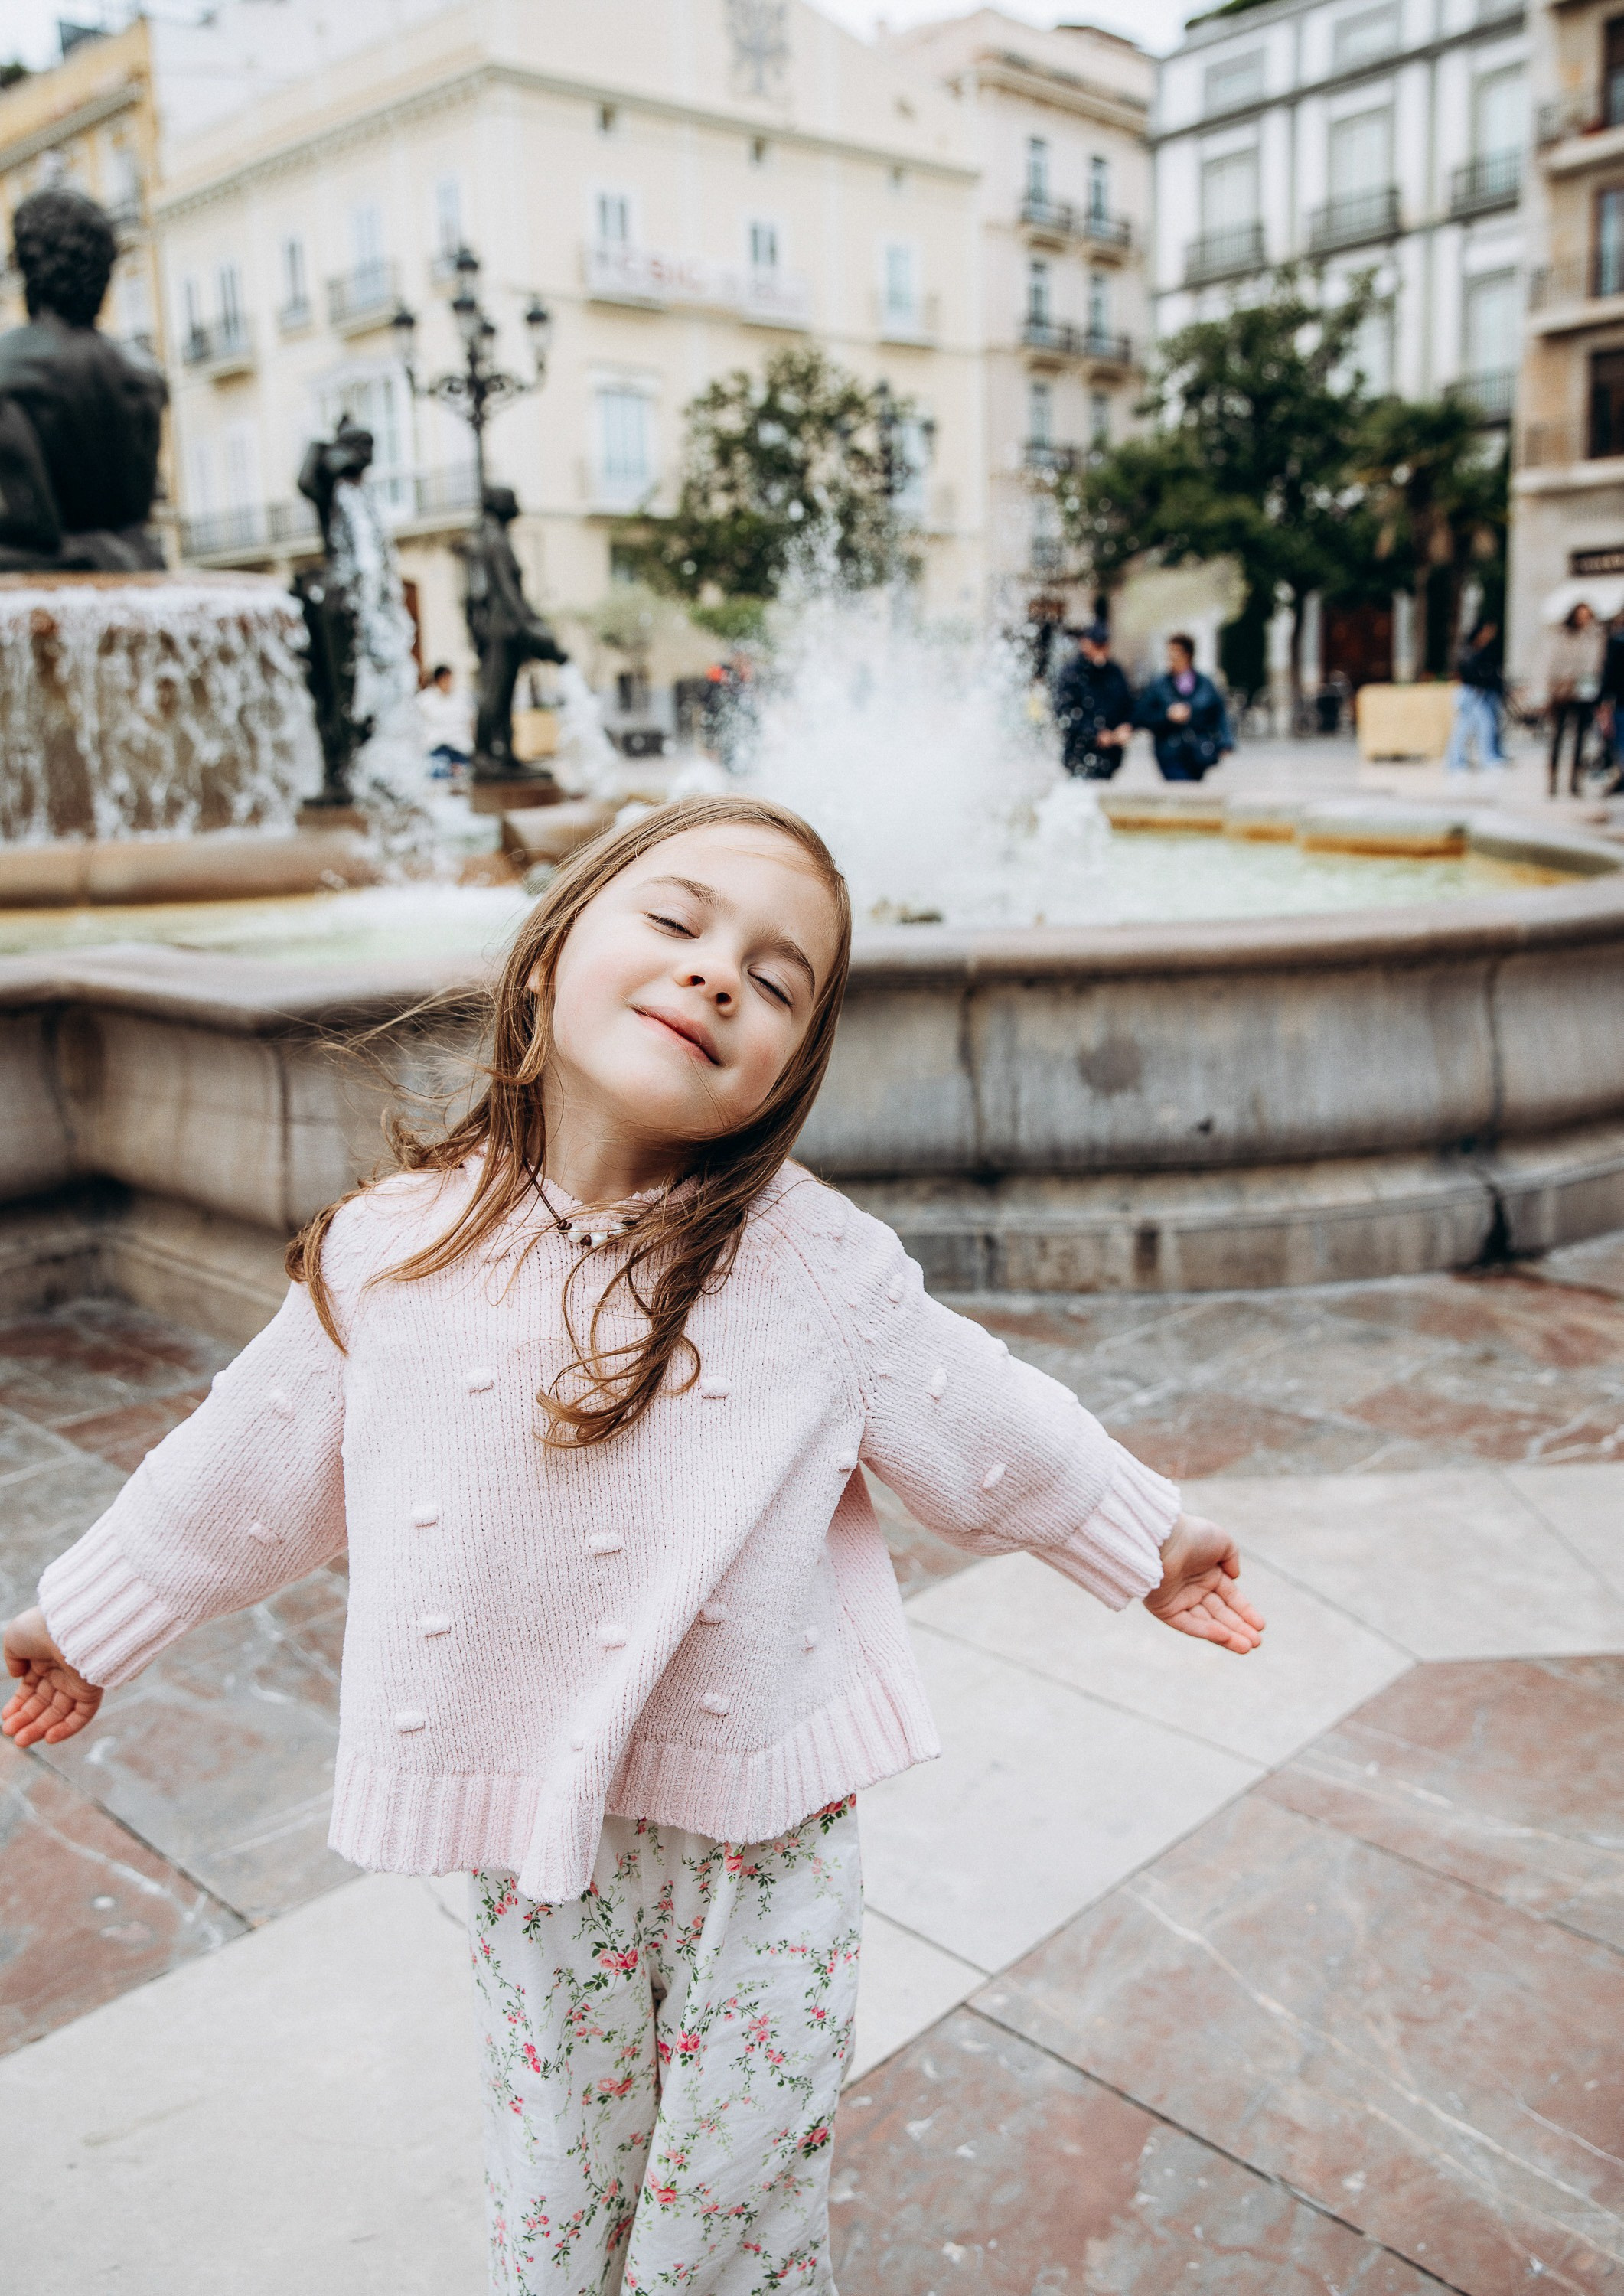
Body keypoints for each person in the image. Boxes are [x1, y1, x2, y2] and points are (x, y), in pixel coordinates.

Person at [2, 795, 1264, 2294]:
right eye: (675, 923)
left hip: (765, 1834)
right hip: (538, 1838)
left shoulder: (812, 1268)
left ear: (786, 1073)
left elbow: (987, 1423)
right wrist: (84, 1618)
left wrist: (1146, 1539)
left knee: (722, 2214)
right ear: (550, 957)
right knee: (559, 2194)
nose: (719, 972)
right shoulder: (391, 1252)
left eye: (776, 979)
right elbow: (240, 1470)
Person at [0, 184, 168, 572]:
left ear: (28, 265)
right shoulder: (145, 377)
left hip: (49, 585)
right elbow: (135, 519)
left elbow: (31, 527)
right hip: (137, 576)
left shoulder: (7, 370)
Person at [1133, 633, 1234, 782]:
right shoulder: (1159, 685)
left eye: (1175, 653)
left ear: (1187, 655)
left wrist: (1225, 742)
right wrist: (1167, 715)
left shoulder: (1205, 684)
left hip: (1198, 752)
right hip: (1169, 752)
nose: (1171, 658)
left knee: (1192, 789)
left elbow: (1219, 713)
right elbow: (1142, 714)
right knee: (1181, 784)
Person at [1539, 601, 1605, 798]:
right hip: (1561, 691)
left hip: (1584, 692)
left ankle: (1575, 783)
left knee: (1580, 739)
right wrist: (1550, 687)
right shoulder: (1561, 635)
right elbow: (1550, 662)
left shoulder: (1595, 636)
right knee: (1557, 736)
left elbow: (1597, 664)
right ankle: (1553, 782)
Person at [1053, 621, 1135, 779]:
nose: (1102, 651)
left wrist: (1127, 726)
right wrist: (1094, 734)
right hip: (1079, 753)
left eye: (1104, 645)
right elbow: (1064, 713)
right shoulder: (1071, 674)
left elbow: (1128, 704)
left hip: (1110, 755)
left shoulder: (1114, 672)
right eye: (1097, 645)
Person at [1445, 619, 1508, 778]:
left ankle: (1464, 759)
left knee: (1479, 726)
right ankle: (1460, 760)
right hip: (1470, 693)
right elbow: (1465, 671)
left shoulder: (1486, 650)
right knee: (1470, 727)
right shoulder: (1468, 649)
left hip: (1481, 693)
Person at [417, 661, 474, 778]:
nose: (448, 683)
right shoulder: (424, 700)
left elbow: (471, 721)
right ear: (437, 680)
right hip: (436, 748)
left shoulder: (462, 697)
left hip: (459, 749)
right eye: (445, 679)